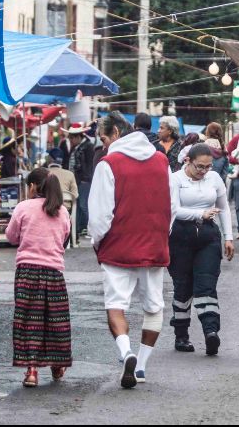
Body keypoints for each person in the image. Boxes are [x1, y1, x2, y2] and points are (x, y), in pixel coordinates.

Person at [88, 112, 173, 389]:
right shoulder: (162, 161)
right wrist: (161, 234)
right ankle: (142, 367)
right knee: (154, 307)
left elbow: (100, 215)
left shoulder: (108, 163)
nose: (103, 145)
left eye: (103, 138)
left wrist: (96, 242)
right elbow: (171, 205)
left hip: (118, 247)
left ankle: (126, 353)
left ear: (114, 132)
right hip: (154, 244)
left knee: (116, 306)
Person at [6, 168, 72, 388]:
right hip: (53, 273)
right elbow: (64, 239)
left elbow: (11, 236)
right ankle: (57, 365)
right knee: (54, 321)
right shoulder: (62, 211)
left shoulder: (23, 207)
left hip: (27, 272)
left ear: (33, 186)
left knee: (29, 321)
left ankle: (31, 371)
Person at [168, 144, 234, 355]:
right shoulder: (175, 179)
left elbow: (223, 208)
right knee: (183, 287)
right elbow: (174, 210)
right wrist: (200, 214)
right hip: (180, 237)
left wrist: (229, 238)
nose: (204, 171)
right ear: (187, 161)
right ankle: (181, 335)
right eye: (199, 167)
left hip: (208, 237)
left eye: (208, 167)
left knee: (206, 285)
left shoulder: (214, 178)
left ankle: (210, 332)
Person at [63, 124, 95, 238]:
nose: (70, 140)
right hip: (77, 180)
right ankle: (81, 227)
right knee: (79, 205)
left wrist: (86, 178)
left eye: (71, 138)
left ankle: (91, 228)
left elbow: (90, 164)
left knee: (83, 204)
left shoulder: (88, 147)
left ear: (78, 137)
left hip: (84, 180)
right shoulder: (76, 147)